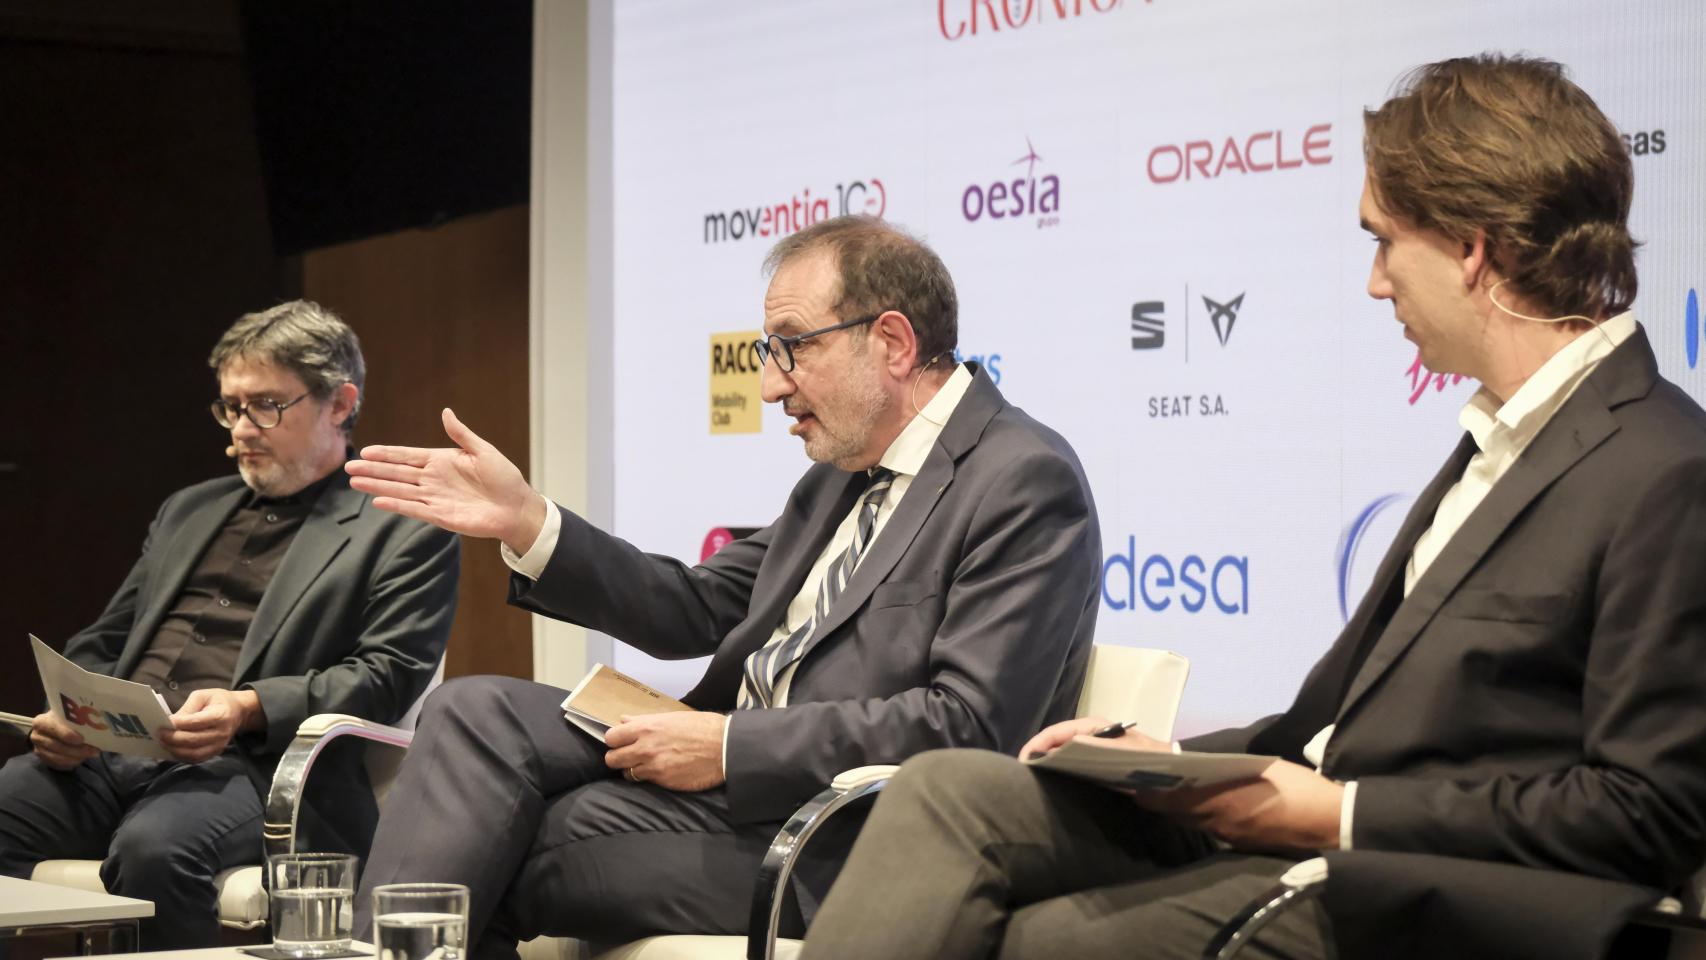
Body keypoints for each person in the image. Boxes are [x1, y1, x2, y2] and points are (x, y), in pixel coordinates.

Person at [797, 54, 1706, 960]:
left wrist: (1339, 813)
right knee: (945, 792)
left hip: (1430, 893)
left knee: (1050, 941)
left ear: (1473, 249)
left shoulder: (1664, 470)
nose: (1375, 282)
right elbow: (1337, 727)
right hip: (1311, 832)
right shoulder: (1499, 440)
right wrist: (1161, 762)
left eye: (1385, 242)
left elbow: (1649, 811)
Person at [344, 215, 1102, 954]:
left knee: (502, 838)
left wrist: (732, 746)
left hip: (839, 836)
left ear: (893, 343)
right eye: (769, 353)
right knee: (473, 711)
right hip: (732, 783)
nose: (771, 386)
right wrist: (528, 522)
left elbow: (964, 727)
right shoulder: (841, 478)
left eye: (792, 347)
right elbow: (696, 605)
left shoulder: (1021, 479)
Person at [0, 301, 460, 949]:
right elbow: (106, 639)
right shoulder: (189, 509)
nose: (242, 429)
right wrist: (72, 709)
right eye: (231, 407)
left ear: (339, 403)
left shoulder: (403, 527)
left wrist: (248, 707)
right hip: (114, 754)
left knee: (154, 851)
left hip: (257, 769)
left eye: (266, 406)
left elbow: (387, 677)